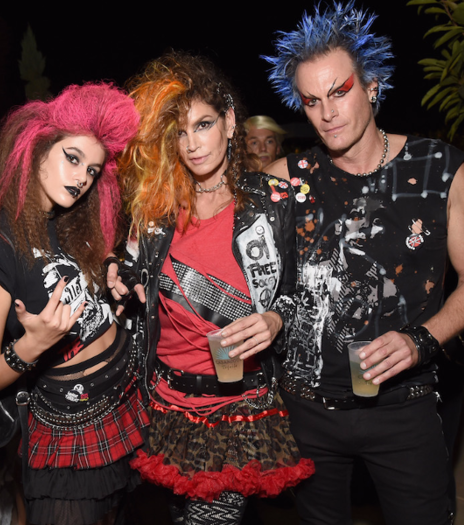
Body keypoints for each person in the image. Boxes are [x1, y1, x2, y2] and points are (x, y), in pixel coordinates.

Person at [262, 2, 464, 524]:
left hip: (403, 408)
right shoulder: (285, 177)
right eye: (312, 100)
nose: (327, 112)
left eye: (340, 91)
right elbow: (216, 242)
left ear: (372, 85)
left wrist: (420, 339)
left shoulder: (438, 167)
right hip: (306, 410)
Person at [108, 52, 314, 525]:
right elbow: (134, 268)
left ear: (229, 121)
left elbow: (298, 289)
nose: (192, 143)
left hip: (236, 407)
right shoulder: (155, 209)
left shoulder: (271, 203)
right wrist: (120, 275)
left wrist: (275, 318)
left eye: (202, 125)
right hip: (164, 401)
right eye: (180, 131)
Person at [0, 83, 148, 525]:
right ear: (36, 147)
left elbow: (84, 285)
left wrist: (111, 275)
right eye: (72, 158)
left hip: (127, 406)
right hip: (69, 432)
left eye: (92, 170)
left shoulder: (71, 223)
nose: (83, 178)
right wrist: (32, 345)